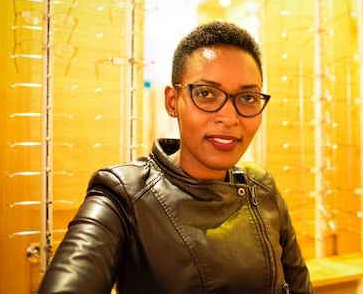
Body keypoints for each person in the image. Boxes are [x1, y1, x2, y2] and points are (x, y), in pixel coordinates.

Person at [38, 21, 314, 294]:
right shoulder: (123, 193)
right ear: (172, 101)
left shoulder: (262, 187)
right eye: (206, 93)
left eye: (248, 97)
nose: (229, 117)